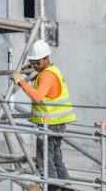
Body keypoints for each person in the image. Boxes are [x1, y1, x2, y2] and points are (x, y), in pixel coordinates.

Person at [10, 40, 75, 190]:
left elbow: (38, 96)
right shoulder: (51, 71)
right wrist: (33, 73)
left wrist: (21, 81)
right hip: (57, 124)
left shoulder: (47, 76)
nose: (35, 66)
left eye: (37, 63)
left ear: (47, 58)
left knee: (45, 160)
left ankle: (51, 188)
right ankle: (66, 187)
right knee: (56, 159)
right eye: (32, 63)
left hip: (50, 125)